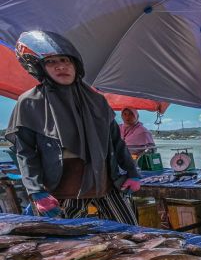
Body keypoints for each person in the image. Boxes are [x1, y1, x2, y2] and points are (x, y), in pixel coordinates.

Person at [6, 30, 141, 224]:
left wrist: (133, 173)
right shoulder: (30, 102)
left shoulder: (97, 100)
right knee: (63, 249)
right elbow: (25, 152)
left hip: (106, 187)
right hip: (59, 193)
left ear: (76, 65)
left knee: (132, 237)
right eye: (51, 62)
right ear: (41, 68)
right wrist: (36, 191)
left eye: (65, 60)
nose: (61, 66)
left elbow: (116, 142)